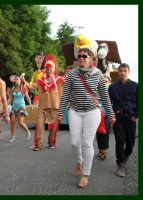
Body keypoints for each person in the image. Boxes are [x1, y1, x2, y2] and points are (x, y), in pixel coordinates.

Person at [58, 48, 116, 188]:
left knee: (87, 143)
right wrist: (60, 113)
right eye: (79, 56)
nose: (81, 58)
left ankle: (85, 175)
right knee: (74, 142)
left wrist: (111, 114)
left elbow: (105, 96)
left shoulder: (98, 75)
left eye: (84, 56)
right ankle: (79, 160)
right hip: (75, 111)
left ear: (91, 58)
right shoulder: (72, 74)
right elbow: (65, 94)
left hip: (92, 112)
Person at [21, 54, 64, 151]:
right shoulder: (40, 80)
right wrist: (24, 82)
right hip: (42, 107)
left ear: (54, 69)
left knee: (52, 128)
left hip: (54, 107)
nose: (48, 70)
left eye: (50, 69)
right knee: (40, 126)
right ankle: (38, 144)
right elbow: (31, 86)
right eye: (47, 69)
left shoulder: (59, 80)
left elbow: (69, 83)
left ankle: (51, 142)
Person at [108, 63, 138, 177]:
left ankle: (125, 156)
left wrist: (136, 115)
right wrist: (112, 114)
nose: (122, 73)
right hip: (118, 118)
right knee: (120, 141)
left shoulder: (136, 86)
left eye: (125, 70)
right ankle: (120, 163)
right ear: (118, 72)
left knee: (130, 142)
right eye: (120, 71)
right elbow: (108, 102)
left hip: (131, 118)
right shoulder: (113, 87)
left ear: (129, 71)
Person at [7, 75, 33, 142]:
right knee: (12, 122)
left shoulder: (23, 88)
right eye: (15, 79)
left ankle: (28, 132)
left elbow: (27, 97)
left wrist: (30, 104)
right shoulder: (13, 88)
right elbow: (10, 98)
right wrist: (5, 105)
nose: (16, 80)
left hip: (21, 106)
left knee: (20, 122)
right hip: (14, 107)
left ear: (20, 80)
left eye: (17, 79)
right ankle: (13, 137)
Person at [96, 74, 111, 160]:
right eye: (101, 81)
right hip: (97, 114)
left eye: (105, 81)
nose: (103, 83)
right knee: (98, 132)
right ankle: (100, 149)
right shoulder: (96, 91)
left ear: (109, 82)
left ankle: (104, 150)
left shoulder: (110, 91)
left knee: (105, 131)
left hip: (106, 114)